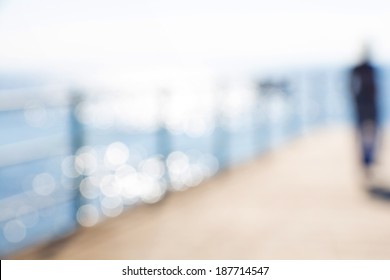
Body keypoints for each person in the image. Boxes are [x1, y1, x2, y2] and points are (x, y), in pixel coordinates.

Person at [350, 47, 379, 179]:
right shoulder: (360, 69)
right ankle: (366, 162)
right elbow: (352, 87)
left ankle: (368, 161)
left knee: (368, 136)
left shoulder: (367, 69)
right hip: (365, 107)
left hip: (368, 107)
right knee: (365, 136)